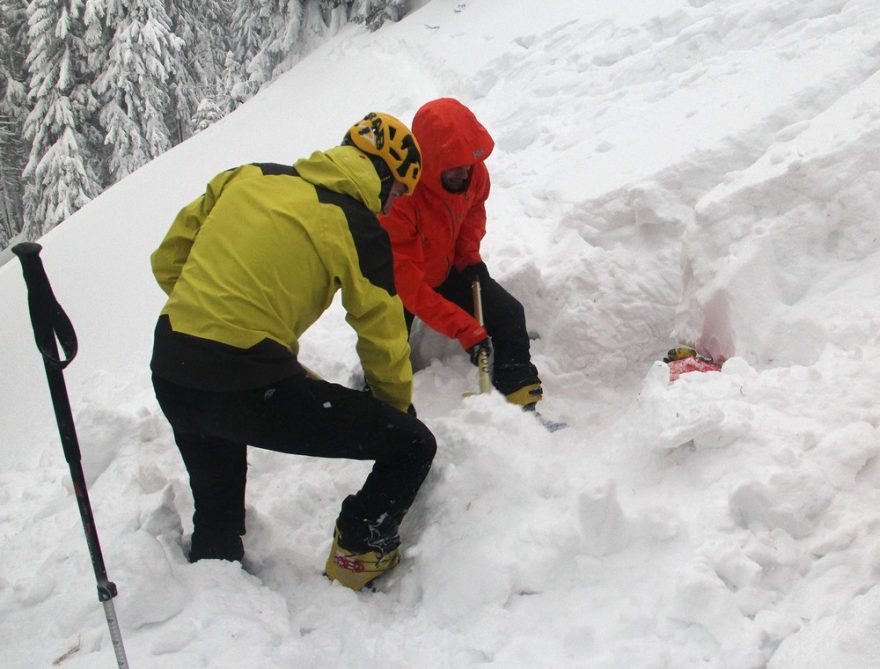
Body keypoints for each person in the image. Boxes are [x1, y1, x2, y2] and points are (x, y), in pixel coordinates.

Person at [149, 112, 436, 591]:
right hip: (245, 387)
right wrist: (397, 413)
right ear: (386, 180)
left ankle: (214, 594)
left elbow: (168, 262)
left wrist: (223, 325)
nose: (393, 207)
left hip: (173, 368)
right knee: (412, 446)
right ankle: (359, 553)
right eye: (399, 194)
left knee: (217, 515)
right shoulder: (357, 228)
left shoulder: (248, 176)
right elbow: (383, 338)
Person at [380, 98, 543, 409]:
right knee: (385, 348)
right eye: (452, 166)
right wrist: (466, 330)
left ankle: (519, 397)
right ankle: (382, 413)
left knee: (509, 313)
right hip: (397, 284)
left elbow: (473, 213)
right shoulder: (401, 197)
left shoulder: (473, 175)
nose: (463, 173)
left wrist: (468, 258)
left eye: (468, 163)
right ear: (428, 161)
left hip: (447, 269)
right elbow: (409, 285)